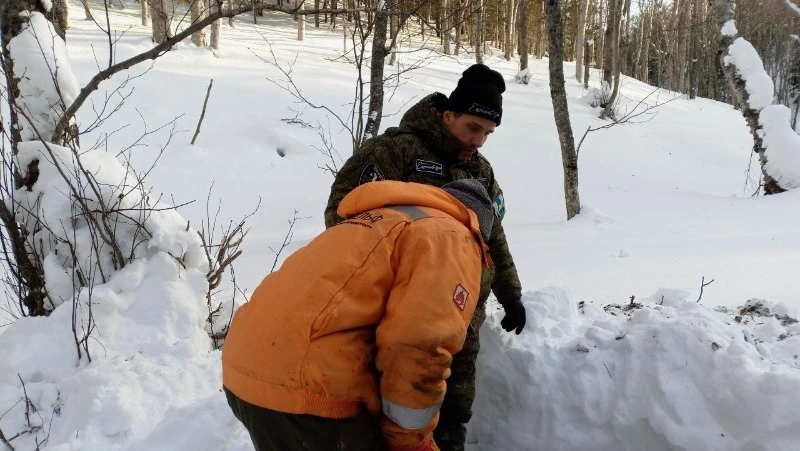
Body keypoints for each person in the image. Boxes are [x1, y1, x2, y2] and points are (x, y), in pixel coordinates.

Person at [324, 63, 526, 450]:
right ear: (448, 115)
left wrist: (510, 293)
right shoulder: (394, 151)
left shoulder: (480, 171)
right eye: (473, 128)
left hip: (461, 315)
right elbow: (341, 215)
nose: (480, 141)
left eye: (488, 133)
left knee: (452, 408)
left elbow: (493, 236)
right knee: (394, 408)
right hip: (397, 313)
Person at [223, 179, 495, 451]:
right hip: (309, 392)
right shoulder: (451, 235)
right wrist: (412, 441)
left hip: (249, 370)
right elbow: (419, 346)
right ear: (480, 227)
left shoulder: (380, 219)